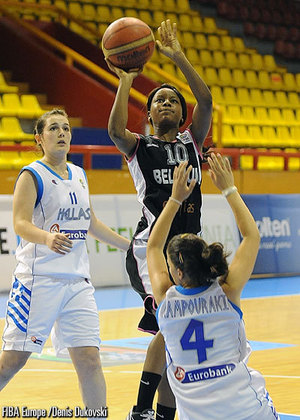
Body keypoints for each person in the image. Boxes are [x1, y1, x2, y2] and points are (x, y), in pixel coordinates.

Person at [107, 19, 212, 420]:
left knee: (178, 336)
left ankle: (165, 414)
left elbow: (206, 102)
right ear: (149, 114)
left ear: (181, 114)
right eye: (158, 101)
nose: (166, 103)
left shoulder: (191, 141)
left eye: (172, 100)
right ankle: (140, 410)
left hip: (190, 251)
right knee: (170, 324)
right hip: (151, 250)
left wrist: (178, 57)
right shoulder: (141, 147)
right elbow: (115, 129)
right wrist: (126, 80)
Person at [0, 109, 130, 418]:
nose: (62, 133)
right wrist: (45, 238)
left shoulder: (80, 175)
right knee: (12, 361)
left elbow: (91, 224)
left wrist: (134, 248)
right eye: (54, 128)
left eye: (66, 128)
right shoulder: (32, 174)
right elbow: (19, 223)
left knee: (89, 358)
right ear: (40, 138)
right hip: (38, 280)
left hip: (77, 283)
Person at [146, 155, 280, 420]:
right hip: (248, 411)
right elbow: (252, 235)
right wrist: (228, 188)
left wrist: (175, 199)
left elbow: (152, 246)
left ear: (177, 272)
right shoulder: (227, 291)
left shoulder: (166, 299)